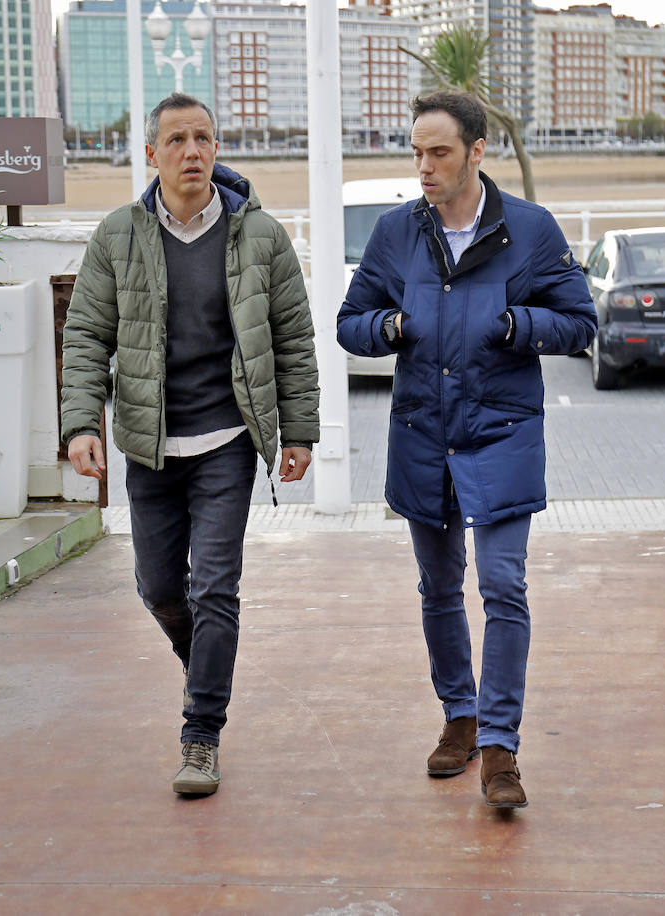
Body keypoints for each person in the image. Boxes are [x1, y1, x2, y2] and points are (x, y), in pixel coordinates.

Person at [336, 91, 596, 809]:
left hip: (503, 432)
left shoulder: (533, 231)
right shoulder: (395, 234)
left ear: (477, 151)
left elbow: (580, 322)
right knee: (439, 588)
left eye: (439, 152)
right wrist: (386, 327)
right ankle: (460, 714)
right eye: (416, 152)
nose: (423, 166)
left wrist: (519, 324)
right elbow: (349, 321)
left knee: (504, 585)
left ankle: (501, 746)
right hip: (423, 433)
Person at [62, 92, 319, 798]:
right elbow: (86, 336)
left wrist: (298, 431)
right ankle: (201, 658)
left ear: (217, 148)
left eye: (203, 137)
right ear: (152, 154)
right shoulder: (118, 236)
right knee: (158, 589)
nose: (192, 151)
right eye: (176, 139)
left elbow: (294, 339)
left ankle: (201, 734)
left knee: (214, 589)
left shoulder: (259, 237)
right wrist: (82, 423)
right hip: (150, 445)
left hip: (227, 443)